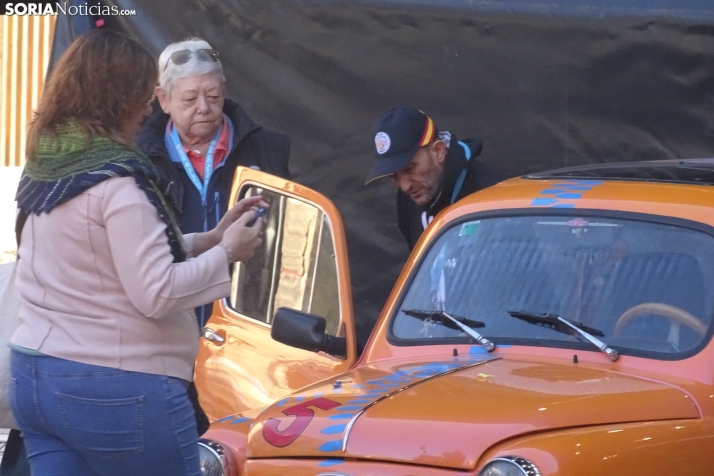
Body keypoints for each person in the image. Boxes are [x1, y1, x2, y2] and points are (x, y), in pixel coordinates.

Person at [8, 29, 266, 476]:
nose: (148, 108)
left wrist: (209, 238)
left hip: (34, 381)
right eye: (140, 94)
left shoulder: (50, 164)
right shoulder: (118, 180)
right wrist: (226, 252)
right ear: (115, 98)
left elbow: (101, 256)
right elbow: (157, 291)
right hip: (114, 389)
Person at [136, 38, 290, 328]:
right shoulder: (138, 159)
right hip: (168, 325)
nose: (204, 108)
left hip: (245, 326)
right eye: (190, 99)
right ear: (163, 100)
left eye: (214, 96)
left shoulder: (267, 149)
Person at [365, 106, 504, 250]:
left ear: (438, 152)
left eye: (409, 168)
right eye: (393, 176)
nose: (405, 186)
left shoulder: (489, 195)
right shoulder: (409, 194)